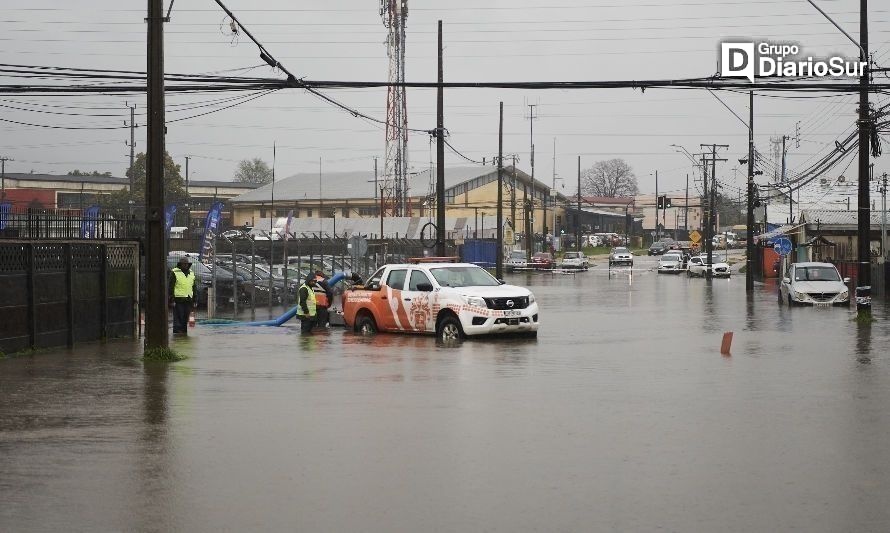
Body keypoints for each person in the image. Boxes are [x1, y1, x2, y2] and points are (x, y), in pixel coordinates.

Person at [168, 256, 197, 335]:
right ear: (180, 264)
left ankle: (184, 333)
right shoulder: (175, 272)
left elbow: (194, 286)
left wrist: (195, 299)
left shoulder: (191, 273)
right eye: (183, 264)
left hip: (188, 299)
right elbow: (171, 287)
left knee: (185, 318)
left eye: (186, 264)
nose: (185, 265)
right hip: (178, 300)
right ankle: (177, 334)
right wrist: (172, 300)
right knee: (178, 318)